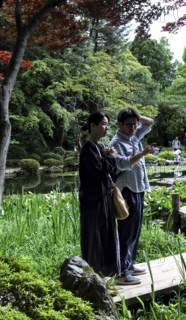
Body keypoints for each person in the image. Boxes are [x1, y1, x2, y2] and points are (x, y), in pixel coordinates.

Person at [110, 108, 156, 285]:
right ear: (120, 125)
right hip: (127, 190)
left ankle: (130, 264)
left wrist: (135, 114)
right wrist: (143, 153)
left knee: (135, 230)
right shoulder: (117, 142)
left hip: (139, 188)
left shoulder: (134, 137)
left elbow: (149, 122)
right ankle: (122, 272)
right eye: (129, 124)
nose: (133, 127)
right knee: (126, 231)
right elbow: (122, 164)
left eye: (135, 124)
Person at [78, 112, 120, 277]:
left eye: (106, 124)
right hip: (93, 202)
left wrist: (105, 155)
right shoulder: (89, 147)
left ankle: (104, 275)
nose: (106, 128)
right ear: (92, 126)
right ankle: (95, 275)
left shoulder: (97, 147)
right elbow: (97, 171)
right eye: (103, 124)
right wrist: (112, 158)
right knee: (95, 239)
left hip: (101, 199)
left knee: (104, 237)